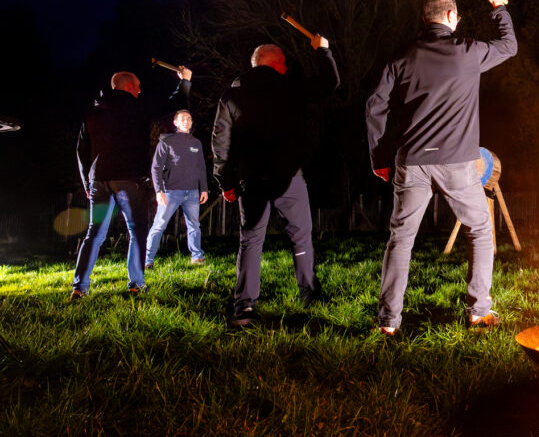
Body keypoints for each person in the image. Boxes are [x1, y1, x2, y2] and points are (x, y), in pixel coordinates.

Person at [366, 0, 517, 335]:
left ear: (425, 18)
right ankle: (479, 311)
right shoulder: (468, 52)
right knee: (479, 229)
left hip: (411, 162)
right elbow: (509, 45)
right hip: (457, 165)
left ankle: (388, 322)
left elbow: (374, 106)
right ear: (451, 17)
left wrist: (379, 156)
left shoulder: (401, 58)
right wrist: (498, 6)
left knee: (400, 239)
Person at [212, 36, 339, 327]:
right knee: (301, 236)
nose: (286, 66)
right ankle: (308, 293)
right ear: (277, 64)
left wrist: (226, 181)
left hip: (250, 179)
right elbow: (329, 83)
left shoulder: (231, 96)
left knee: (251, 240)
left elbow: (221, 143)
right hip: (288, 176)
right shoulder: (290, 88)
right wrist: (323, 50)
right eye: (283, 62)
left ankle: (244, 307)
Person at [72, 67, 192, 298]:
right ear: (128, 86)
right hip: (129, 179)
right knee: (137, 231)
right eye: (137, 85)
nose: (140, 89)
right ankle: (136, 283)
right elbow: (172, 103)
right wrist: (185, 81)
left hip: (99, 180)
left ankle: (79, 288)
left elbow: (81, 150)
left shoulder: (92, 112)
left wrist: (87, 181)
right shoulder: (135, 106)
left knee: (94, 233)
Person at [144, 109, 209, 268]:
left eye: (189, 118)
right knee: (159, 225)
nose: (186, 121)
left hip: (192, 192)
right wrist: (159, 191)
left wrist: (204, 189)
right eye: (182, 118)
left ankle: (197, 257)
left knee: (194, 225)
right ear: (176, 123)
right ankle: (147, 260)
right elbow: (156, 168)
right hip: (171, 192)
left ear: (192, 122)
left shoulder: (196, 143)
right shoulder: (166, 142)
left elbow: (201, 167)